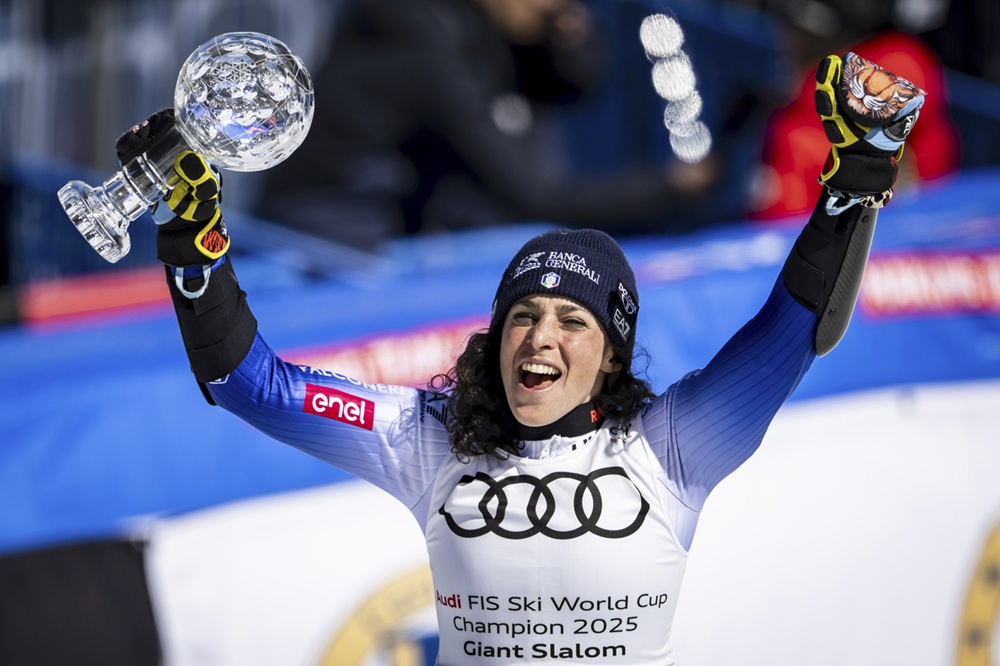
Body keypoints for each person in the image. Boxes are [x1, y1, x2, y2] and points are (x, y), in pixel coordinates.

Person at [116, 51, 923, 664]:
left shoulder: (672, 447)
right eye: (523, 317)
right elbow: (249, 385)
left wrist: (854, 183)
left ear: (612, 358)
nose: (540, 337)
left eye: (573, 322)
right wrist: (193, 239)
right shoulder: (426, 438)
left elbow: (792, 332)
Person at [252, 0, 719, 249]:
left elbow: (574, 85)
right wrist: (668, 186)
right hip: (323, 225)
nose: (553, 5)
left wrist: (568, 31)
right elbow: (539, 195)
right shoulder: (423, 36)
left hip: (393, 210)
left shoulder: (490, 26)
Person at [746, 2, 958, 220]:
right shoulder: (910, 58)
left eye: (790, 29)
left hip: (841, 235)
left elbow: (780, 228)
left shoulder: (797, 127)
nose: (782, 37)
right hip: (933, 229)